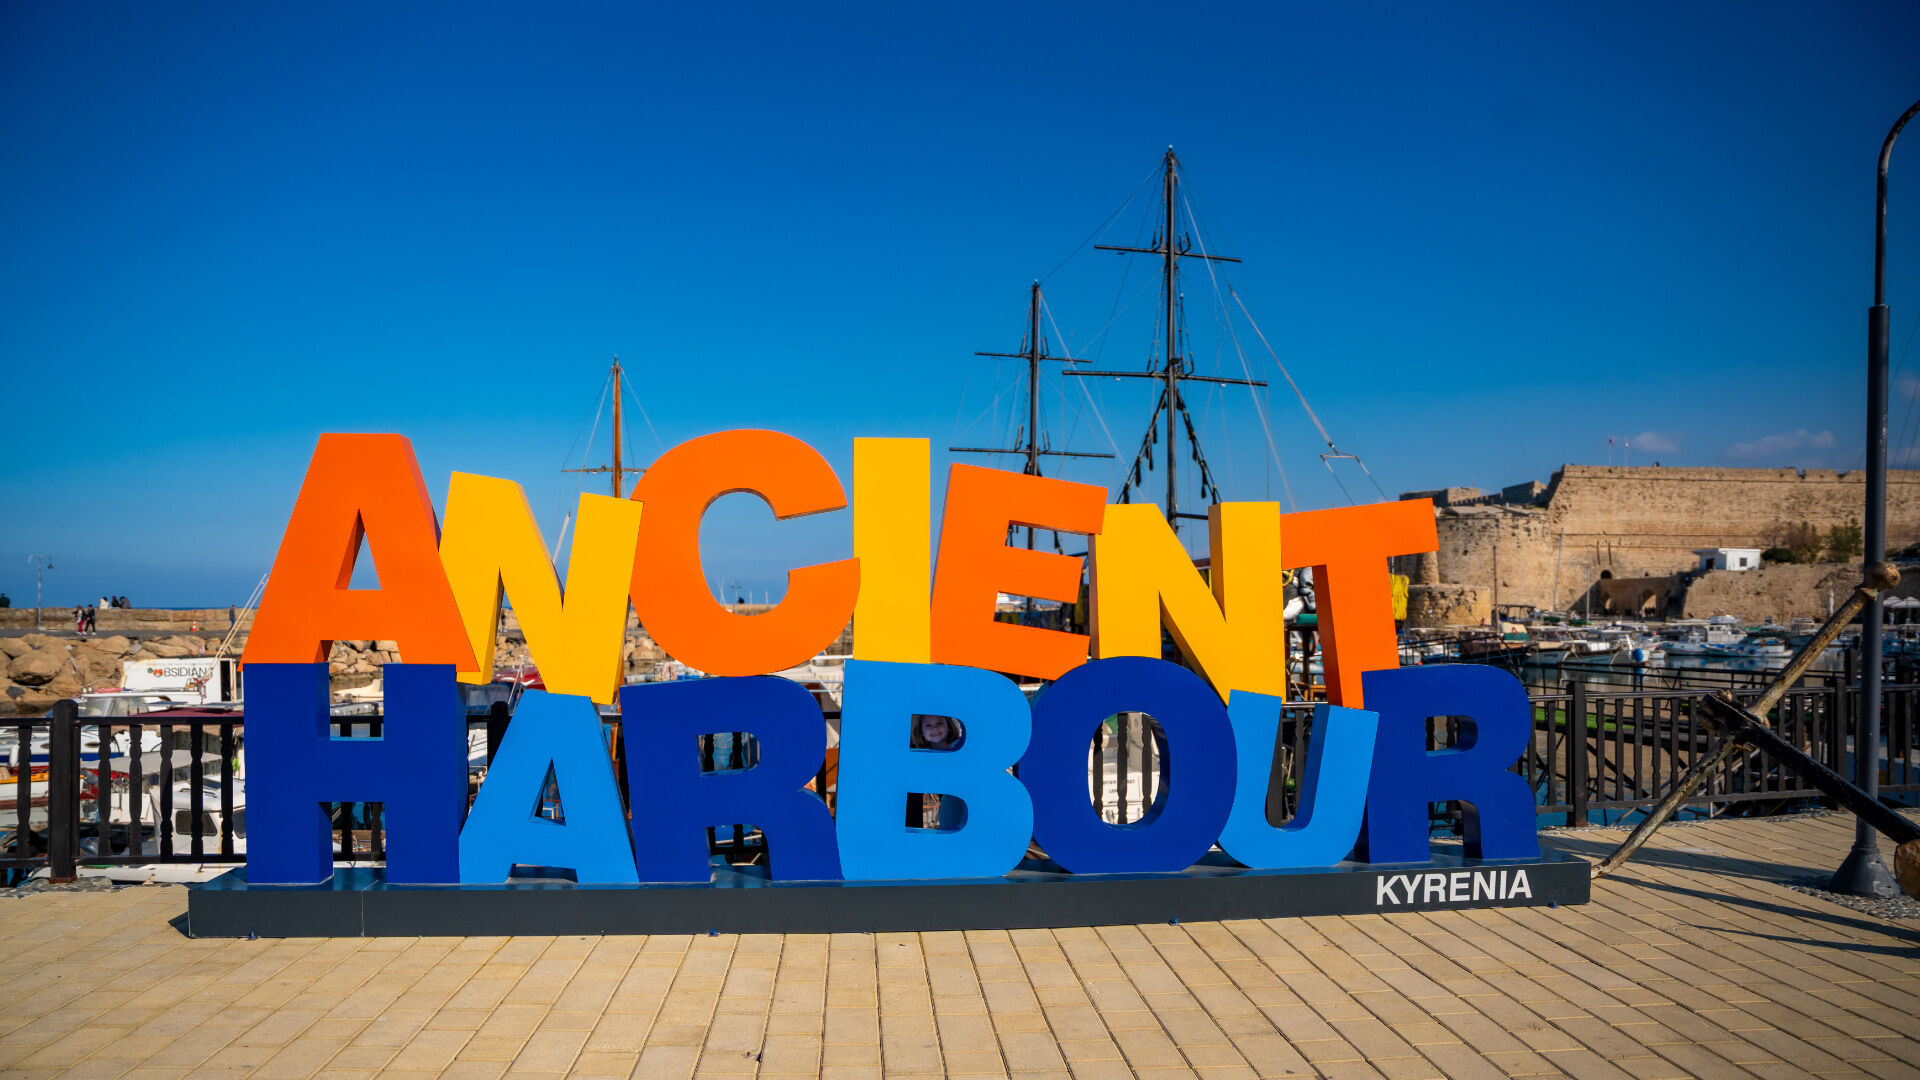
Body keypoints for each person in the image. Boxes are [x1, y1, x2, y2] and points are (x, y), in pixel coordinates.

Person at [905, 714, 966, 830]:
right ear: (921, 732)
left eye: (939, 723)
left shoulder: (958, 746)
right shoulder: (919, 755)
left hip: (955, 794)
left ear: (948, 726)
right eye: (928, 725)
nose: (935, 728)